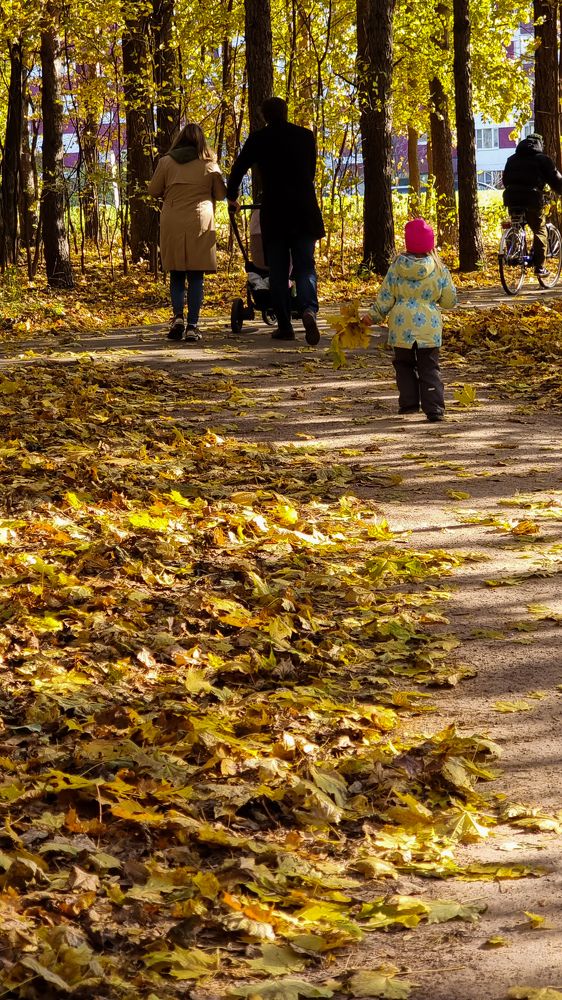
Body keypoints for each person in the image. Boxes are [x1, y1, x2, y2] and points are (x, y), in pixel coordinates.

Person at [226, 96, 325, 345]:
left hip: (275, 211)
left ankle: (284, 325)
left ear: (264, 116)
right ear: (286, 112)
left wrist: (232, 196)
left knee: (278, 270)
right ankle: (308, 310)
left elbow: (238, 168)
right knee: (305, 266)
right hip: (303, 209)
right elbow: (310, 172)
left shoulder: (259, 139)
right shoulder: (304, 137)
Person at [363, 219, 457, 422]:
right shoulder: (439, 268)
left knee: (403, 364)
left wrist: (374, 315)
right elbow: (449, 301)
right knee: (429, 366)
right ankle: (434, 408)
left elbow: (386, 296)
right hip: (428, 328)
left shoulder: (397, 267)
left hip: (400, 325)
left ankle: (409, 403)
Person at [148, 123, 226, 342]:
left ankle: (178, 318)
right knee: (196, 274)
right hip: (199, 220)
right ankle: (192, 326)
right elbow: (220, 195)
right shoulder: (209, 165)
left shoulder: (166, 162)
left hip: (172, 218)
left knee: (176, 271)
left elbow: (153, 191)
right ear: (202, 141)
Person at [502, 132, 562, 276]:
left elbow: (505, 180)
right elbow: (556, 180)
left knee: (517, 223)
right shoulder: (542, 159)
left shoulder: (511, 159)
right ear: (540, 145)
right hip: (532, 198)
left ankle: (513, 252)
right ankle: (540, 267)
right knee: (540, 230)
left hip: (511, 197)